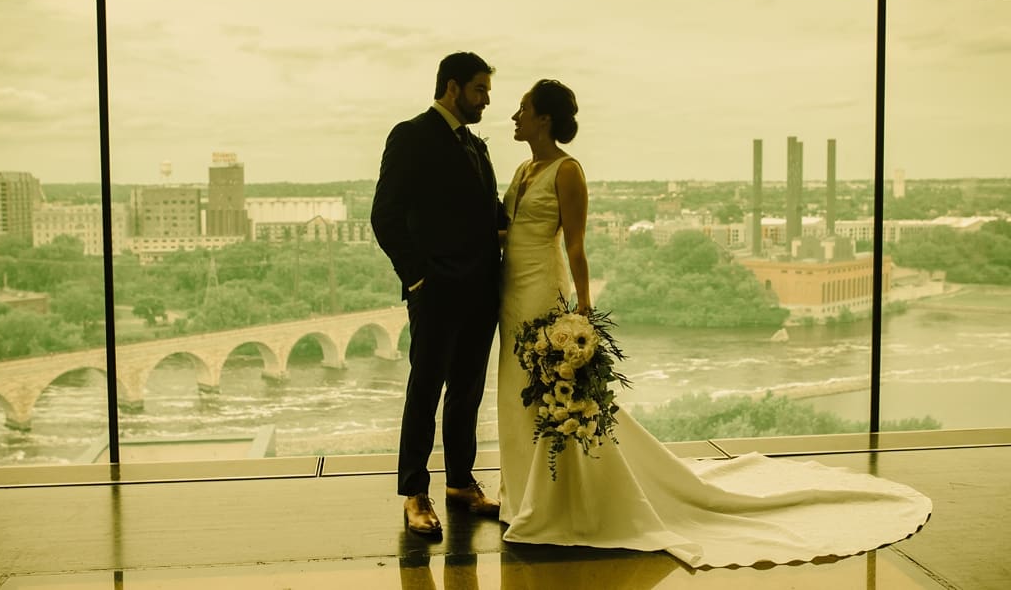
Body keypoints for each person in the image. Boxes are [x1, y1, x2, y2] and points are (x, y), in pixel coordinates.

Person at [496, 79, 932, 568]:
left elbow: (575, 244)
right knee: (518, 393)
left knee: (554, 389)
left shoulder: (567, 171)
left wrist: (584, 309)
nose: (514, 116)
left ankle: (558, 502)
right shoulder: (522, 168)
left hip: (543, 291)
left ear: (544, 119)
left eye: (523, 108)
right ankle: (520, 497)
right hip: (511, 293)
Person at [371, 52, 506, 536]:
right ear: (452, 88)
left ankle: (459, 484)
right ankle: (414, 493)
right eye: (480, 91)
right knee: (425, 391)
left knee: (467, 392)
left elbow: (490, 214)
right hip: (437, 291)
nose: (487, 101)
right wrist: (418, 278)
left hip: (481, 290)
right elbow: (384, 215)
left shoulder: (477, 145)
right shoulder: (411, 136)